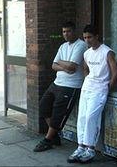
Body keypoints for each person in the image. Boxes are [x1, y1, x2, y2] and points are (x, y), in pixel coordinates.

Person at [67, 24, 117, 163]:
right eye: (84, 37)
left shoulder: (107, 52)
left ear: (97, 36)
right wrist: (88, 80)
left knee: (91, 117)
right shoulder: (87, 53)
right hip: (87, 88)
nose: (87, 40)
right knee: (82, 117)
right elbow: (85, 68)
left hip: (100, 90)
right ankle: (80, 147)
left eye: (89, 37)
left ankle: (90, 149)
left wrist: (107, 87)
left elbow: (116, 73)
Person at [33, 21, 87, 152]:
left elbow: (72, 67)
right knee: (43, 107)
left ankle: (47, 140)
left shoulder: (81, 45)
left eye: (68, 31)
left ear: (74, 31)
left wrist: (61, 64)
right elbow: (53, 65)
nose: (66, 34)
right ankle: (54, 136)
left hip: (71, 86)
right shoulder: (63, 46)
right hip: (57, 83)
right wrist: (65, 65)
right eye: (64, 32)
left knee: (58, 113)